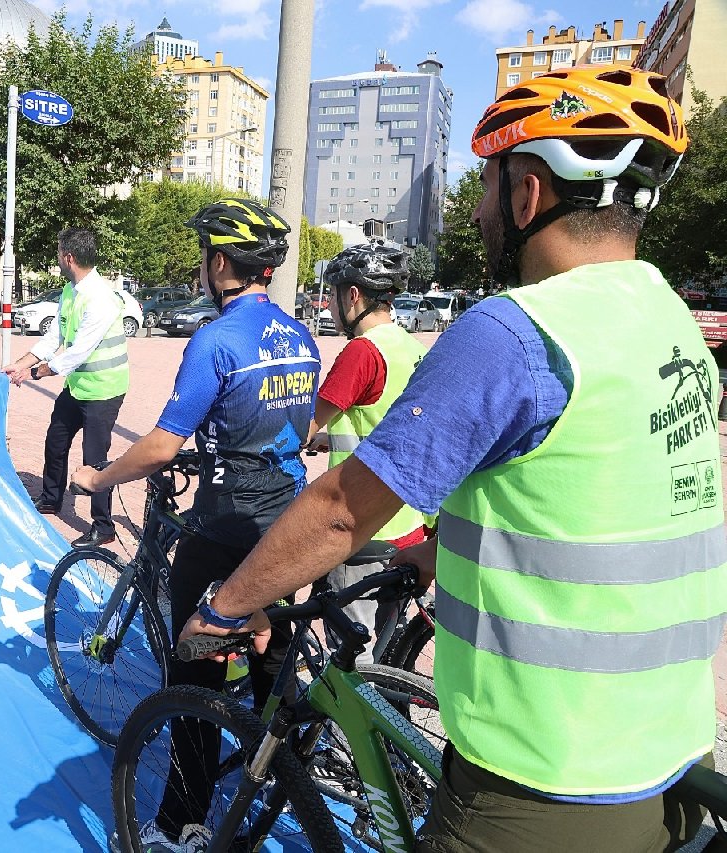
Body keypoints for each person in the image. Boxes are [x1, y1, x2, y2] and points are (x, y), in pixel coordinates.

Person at [180, 66, 723, 851]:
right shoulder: (670, 318)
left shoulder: (516, 332)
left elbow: (340, 507)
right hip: (672, 747)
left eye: (487, 184)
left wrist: (224, 606)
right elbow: (590, 489)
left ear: (528, 193)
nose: (476, 210)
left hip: (545, 779)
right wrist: (438, 551)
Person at [73, 198, 319, 851]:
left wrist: (97, 477)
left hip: (222, 527)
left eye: (203, 260)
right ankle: (277, 770)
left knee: (193, 672)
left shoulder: (216, 339)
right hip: (286, 520)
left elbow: (158, 445)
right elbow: (305, 426)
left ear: (219, 263)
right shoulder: (299, 334)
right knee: (271, 657)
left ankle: (183, 820)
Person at [305, 242, 429, 664]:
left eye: (335, 295)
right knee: (387, 653)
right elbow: (385, 419)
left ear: (353, 295)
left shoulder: (362, 351)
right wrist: (333, 439)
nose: (332, 307)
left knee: (350, 658)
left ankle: (346, 732)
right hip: (410, 528)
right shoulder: (412, 348)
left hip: (364, 529)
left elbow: (306, 424)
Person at [2, 228, 129, 548]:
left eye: (59, 252)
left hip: (104, 389)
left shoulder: (100, 298)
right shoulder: (70, 291)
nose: (57, 257)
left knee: (95, 460)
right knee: (55, 441)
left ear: (68, 258)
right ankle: (50, 498)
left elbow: (77, 353)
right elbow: (54, 339)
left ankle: (103, 526)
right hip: (78, 387)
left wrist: (36, 373)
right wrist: (21, 362)